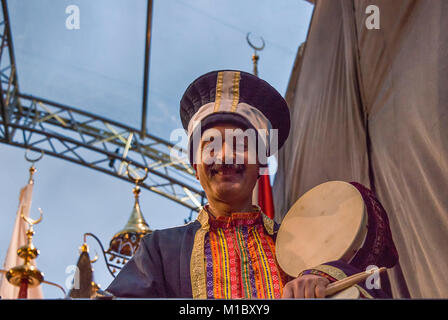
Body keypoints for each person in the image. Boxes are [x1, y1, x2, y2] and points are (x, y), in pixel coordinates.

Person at [106, 70, 398, 299]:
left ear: (260, 166)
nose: (225, 155)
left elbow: (372, 275)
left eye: (241, 145)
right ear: (195, 167)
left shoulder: (306, 245)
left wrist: (325, 281)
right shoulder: (159, 249)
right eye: (211, 146)